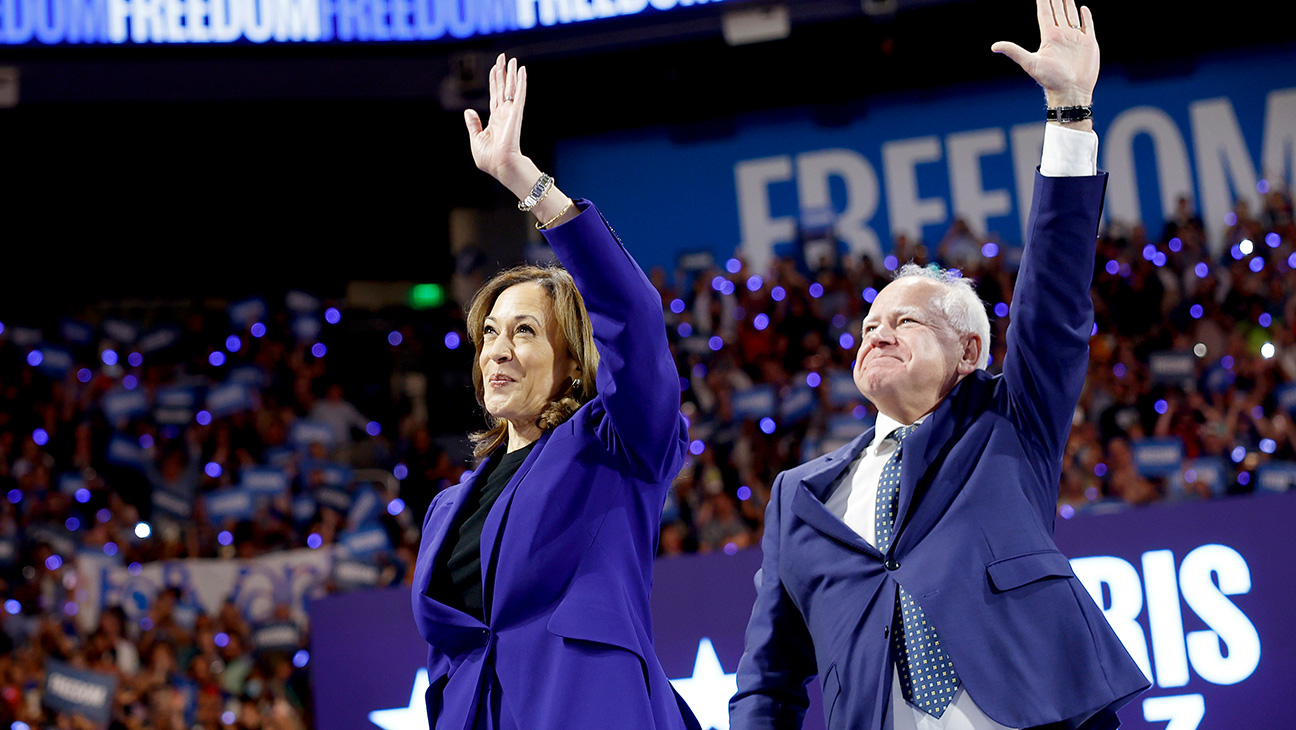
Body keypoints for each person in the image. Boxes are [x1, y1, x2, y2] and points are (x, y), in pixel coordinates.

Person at [729, 2, 1150, 729]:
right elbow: (767, 680)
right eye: (867, 326)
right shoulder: (797, 498)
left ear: (970, 352)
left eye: (905, 321)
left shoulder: (1008, 424)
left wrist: (1069, 112)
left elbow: (1052, 296)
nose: (876, 334)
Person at [411, 55, 700, 730]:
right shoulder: (447, 506)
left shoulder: (615, 446)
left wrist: (527, 183)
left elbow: (633, 315)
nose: (498, 349)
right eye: (488, 334)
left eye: (524, 331)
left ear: (572, 362)